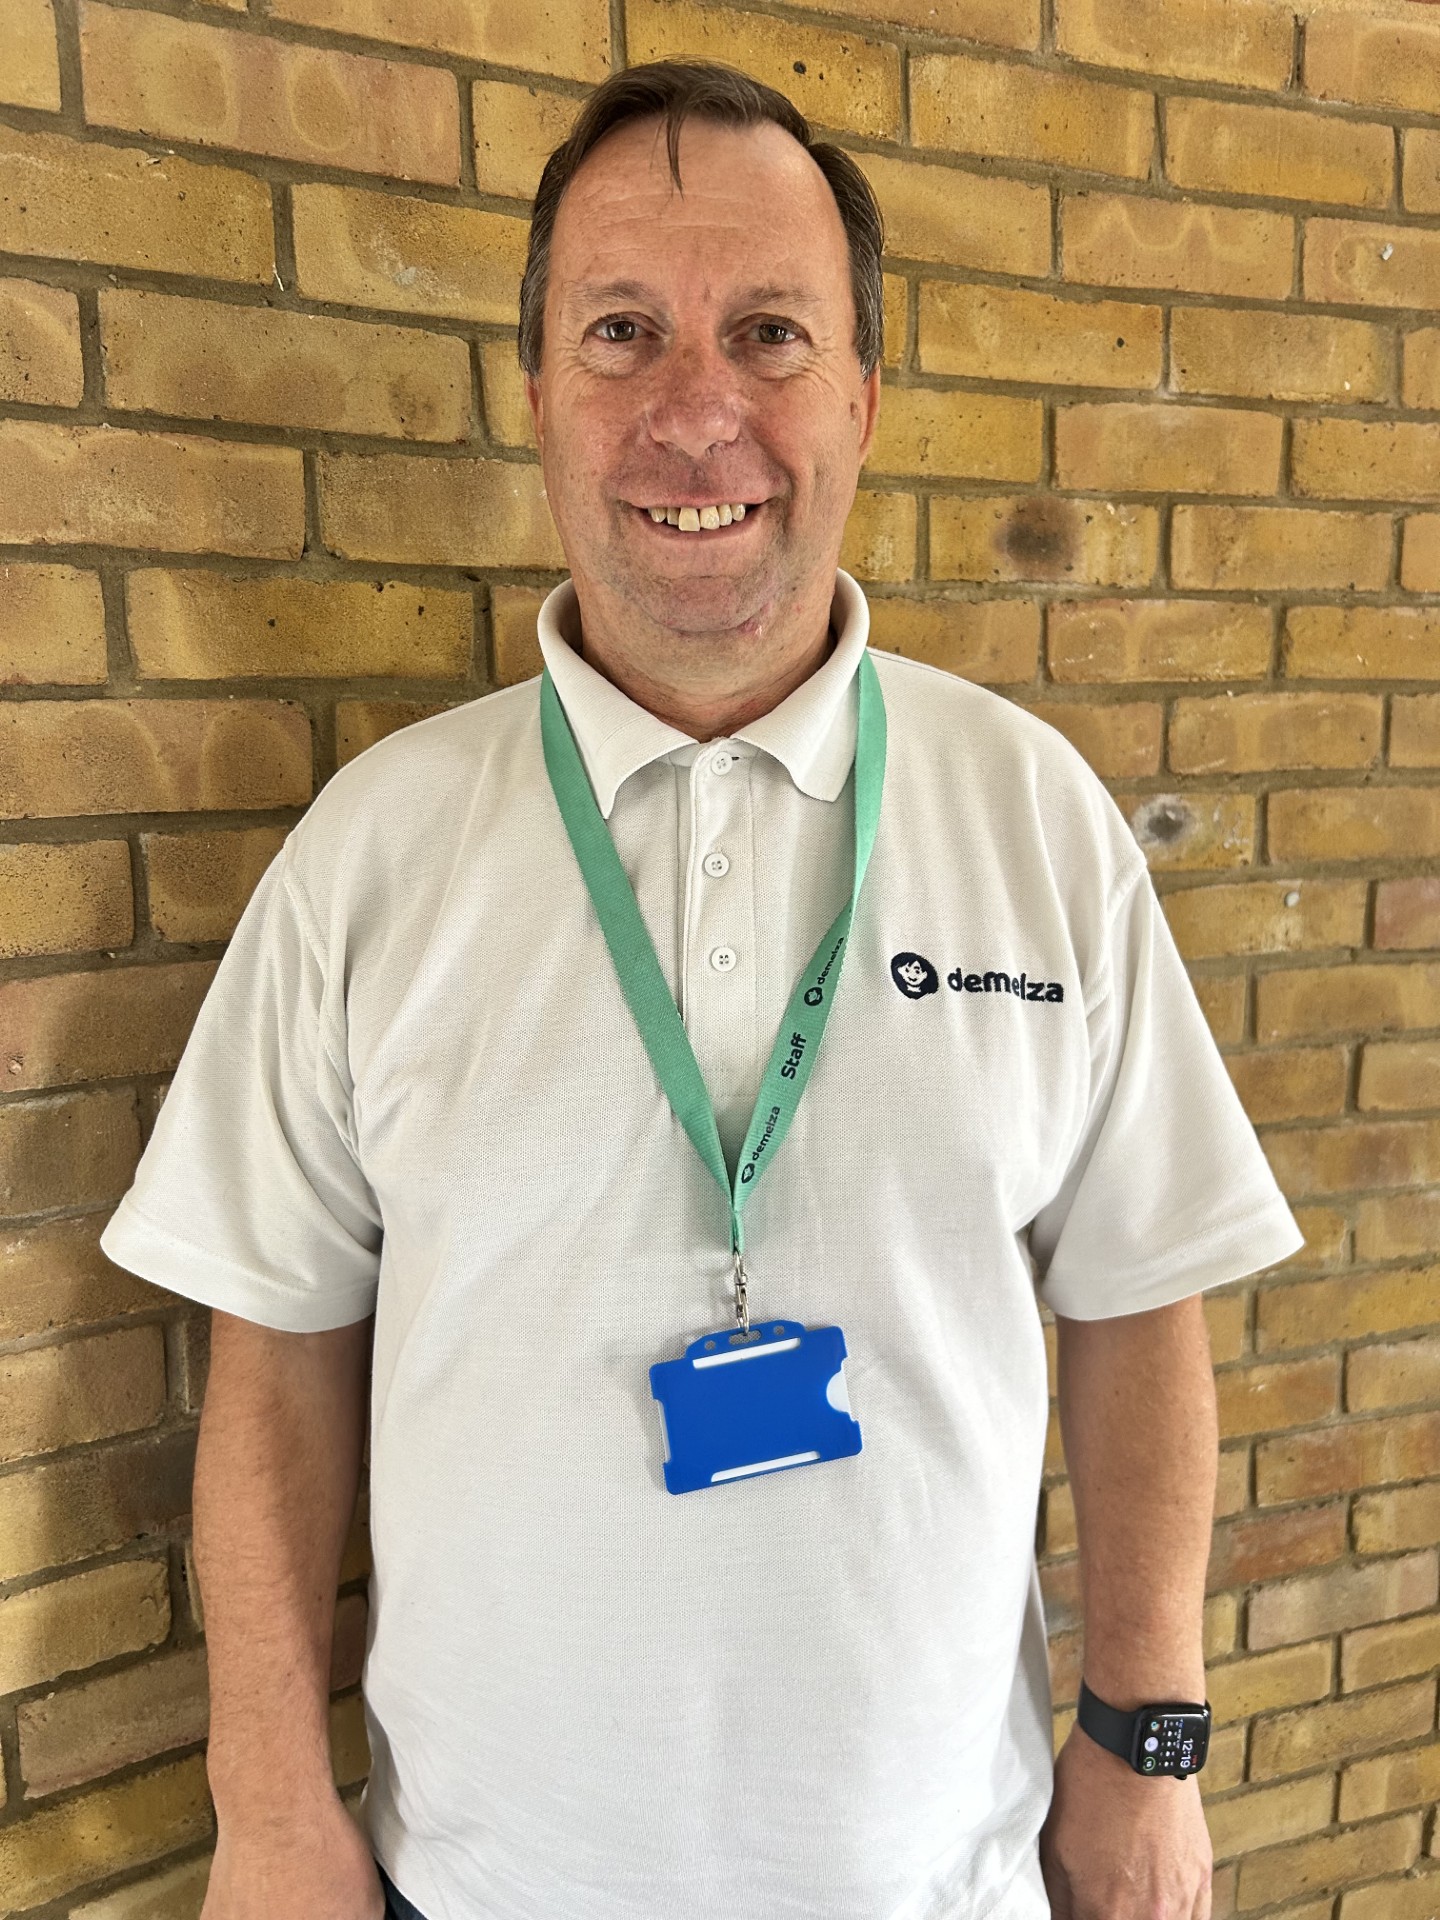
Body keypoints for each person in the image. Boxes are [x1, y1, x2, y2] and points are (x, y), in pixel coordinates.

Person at [100, 60, 1304, 1920]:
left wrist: (1148, 1743)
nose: (693, 412)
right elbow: (276, 1352)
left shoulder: (1035, 817)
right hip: (481, 1889)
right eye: (621, 331)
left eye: (768, 332)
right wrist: (267, 1810)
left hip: (942, 1885)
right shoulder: (375, 849)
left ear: (864, 396)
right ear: (536, 394)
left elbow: (1142, 1297)